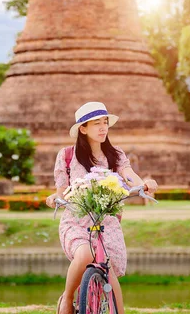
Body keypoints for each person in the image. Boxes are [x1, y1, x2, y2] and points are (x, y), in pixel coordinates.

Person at [46, 102, 158, 314]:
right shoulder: (67, 155)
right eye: (96, 123)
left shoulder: (115, 154)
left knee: (109, 269)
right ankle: (67, 299)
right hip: (77, 219)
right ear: (83, 128)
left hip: (107, 222)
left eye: (105, 122)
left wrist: (145, 183)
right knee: (85, 254)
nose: (102, 128)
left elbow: (128, 174)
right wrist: (54, 198)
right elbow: (62, 191)